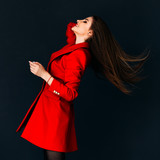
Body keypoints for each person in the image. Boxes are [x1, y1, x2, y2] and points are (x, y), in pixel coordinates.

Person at [16, 15, 150, 160]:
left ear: (91, 33)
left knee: (52, 156)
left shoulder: (78, 55)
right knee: (48, 154)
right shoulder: (74, 47)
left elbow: (70, 93)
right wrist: (79, 27)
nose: (78, 21)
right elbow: (70, 29)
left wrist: (44, 75)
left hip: (56, 113)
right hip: (50, 109)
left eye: (85, 21)